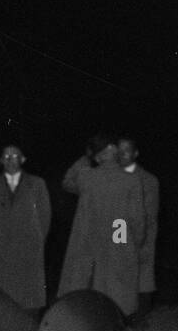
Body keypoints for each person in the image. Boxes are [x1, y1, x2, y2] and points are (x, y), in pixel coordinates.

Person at [58, 133, 146, 318]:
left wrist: (87, 156)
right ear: (110, 151)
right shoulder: (132, 180)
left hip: (88, 244)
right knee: (118, 299)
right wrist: (134, 244)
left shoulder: (86, 177)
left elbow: (67, 181)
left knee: (87, 298)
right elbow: (138, 221)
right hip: (119, 242)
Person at [0, 143, 50, 311]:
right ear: (0, 161)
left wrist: (36, 241)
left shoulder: (37, 183)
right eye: (6, 157)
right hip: (1, 248)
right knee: (1, 299)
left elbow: (45, 216)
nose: (10, 160)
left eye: (14, 156)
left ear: (23, 159)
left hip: (28, 248)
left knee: (27, 301)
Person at [117, 137, 159, 317]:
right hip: (115, 242)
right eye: (119, 150)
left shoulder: (148, 180)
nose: (122, 154)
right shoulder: (110, 177)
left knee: (141, 286)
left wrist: (134, 242)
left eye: (126, 150)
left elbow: (148, 216)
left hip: (140, 243)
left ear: (135, 153)